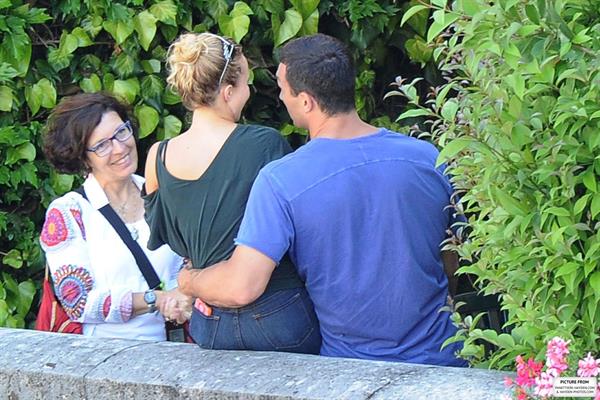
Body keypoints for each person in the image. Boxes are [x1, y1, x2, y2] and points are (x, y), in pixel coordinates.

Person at [177, 33, 466, 366]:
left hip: (350, 370)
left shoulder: (280, 180)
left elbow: (241, 286)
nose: (281, 96)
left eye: (284, 89)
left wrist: (189, 280)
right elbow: (452, 257)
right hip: (444, 361)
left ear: (306, 101)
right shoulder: (429, 158)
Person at [142, 32, 320, 353]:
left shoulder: (158, 156)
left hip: (209, 323)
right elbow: (305, 231)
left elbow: (166, 236)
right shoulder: (264, 144)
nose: (249, 92)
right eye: (246, 84)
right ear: (227, 92)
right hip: (277, 313)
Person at [41, 92, 190, 340]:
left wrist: (185, 291)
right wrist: (154, 298)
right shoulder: (68, 213)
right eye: (102, 145)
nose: (120, 148)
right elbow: (78, 302)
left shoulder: (163, 196)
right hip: (102, 360)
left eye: (122, 132)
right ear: (82, 157)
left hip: (175, 351)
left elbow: (189, 263)